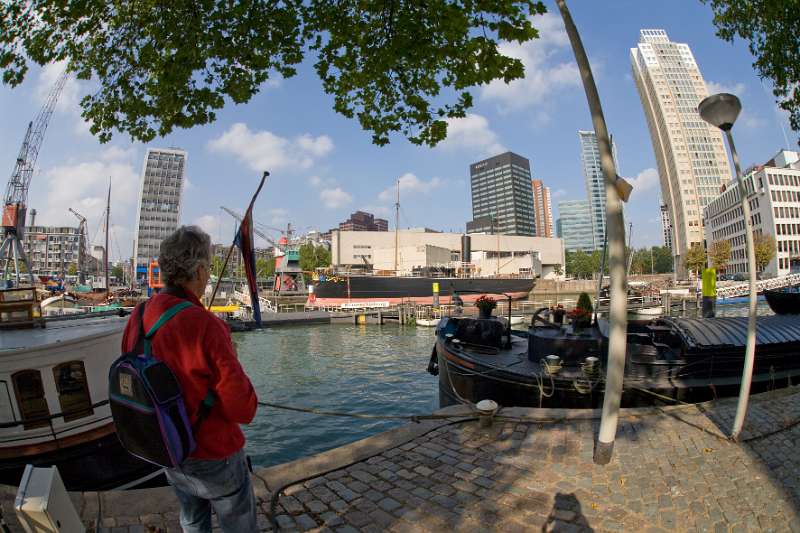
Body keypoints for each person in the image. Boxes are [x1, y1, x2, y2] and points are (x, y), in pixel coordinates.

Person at [121, 226, 258, 533]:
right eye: (208, 267)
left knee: (193, 518)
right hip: (213, 451)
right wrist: (231, 357)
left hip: (166, 446)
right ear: (198, 271)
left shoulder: (140, 315)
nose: (209, 274)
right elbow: (243, 409)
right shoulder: (206, 325)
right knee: (239, 521)